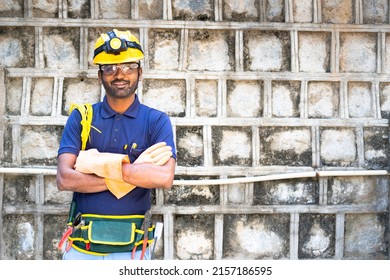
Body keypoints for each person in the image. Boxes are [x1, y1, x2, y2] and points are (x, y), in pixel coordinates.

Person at [56, 29, 176, 260]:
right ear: (100, 76)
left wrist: (94, 164)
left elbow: (163, 178)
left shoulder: (156, 120)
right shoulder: (82, 117)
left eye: (128, 67)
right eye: (110, 68)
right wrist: (136, 169)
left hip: (132, 252)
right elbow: (64, 179)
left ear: (139, 73)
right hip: (82, 251)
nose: (119, 74)